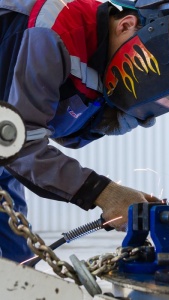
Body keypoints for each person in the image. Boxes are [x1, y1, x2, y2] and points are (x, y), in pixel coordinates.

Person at [0, 0, 159, 263]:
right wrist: (105, 192)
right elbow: (19, 143)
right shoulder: (54, 31)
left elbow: (63, 134)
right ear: (126, 25)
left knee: (19, 259)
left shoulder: (99, 53)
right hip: (8, 143)